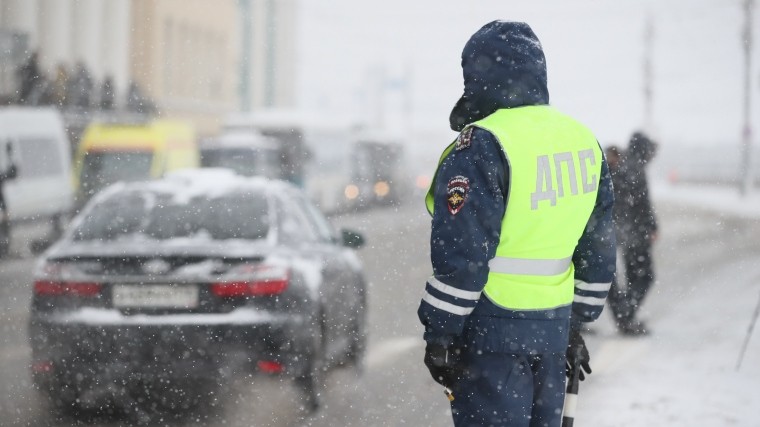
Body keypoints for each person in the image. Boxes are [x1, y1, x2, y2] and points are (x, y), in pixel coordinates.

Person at [417, 21, 616, 426]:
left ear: (478, 75)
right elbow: (598, 247)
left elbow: (465, 254)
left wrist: (441, 334)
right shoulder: (583, 142)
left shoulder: (484, 144)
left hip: (493, 332)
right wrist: (577, 324)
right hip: (554, 330)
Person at [607, 132, 658, 335]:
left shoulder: (621, 164)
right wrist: (652, 227)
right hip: (634, 233)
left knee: (620, 277)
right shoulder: (635, 167)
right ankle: (625, 316)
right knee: (644, 276)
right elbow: (643, 204)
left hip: (615, 229)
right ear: (643, 149)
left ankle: (624, 316)